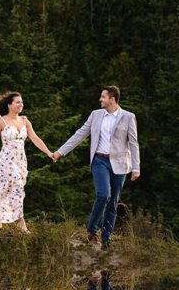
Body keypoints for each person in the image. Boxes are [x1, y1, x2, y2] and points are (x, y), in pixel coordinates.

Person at [51, 85, 140, 248]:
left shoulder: (128, 117)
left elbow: (133, 143)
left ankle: (106, 239)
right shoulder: (96, 115)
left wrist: (136, 167)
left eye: (103, 97)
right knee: (103, 195)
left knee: (113, 202)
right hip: (100, 161)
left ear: (112, 99)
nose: (100, 99)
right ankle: (92, 231)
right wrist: (60, 152)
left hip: (119, 163)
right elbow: (80, 134)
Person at [0, 91, 53, 232]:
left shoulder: (25, 121)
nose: (21, 104)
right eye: (18, 102)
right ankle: (20, 221)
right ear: (9, 105)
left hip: (21, 160)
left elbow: (35, 138)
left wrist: (48, 152)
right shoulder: (1, 121)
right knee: (17, 185)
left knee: (3, 188)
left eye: (22, 102)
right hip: (6, 160)